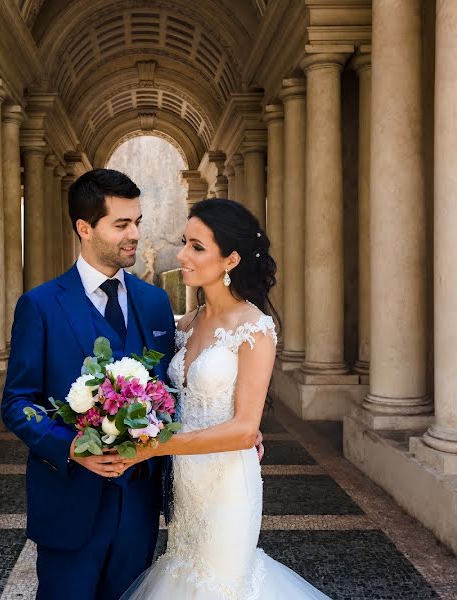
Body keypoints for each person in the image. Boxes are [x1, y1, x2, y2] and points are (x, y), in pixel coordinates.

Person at [118, 198, 331, 600]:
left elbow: (245, 429)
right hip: (185, 484)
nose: (182, 255)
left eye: (197, 247)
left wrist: (155, 446)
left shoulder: (254, 329)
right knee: (183, 574)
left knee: (220, 584)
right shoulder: (188, 322)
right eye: (185, 242)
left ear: (231, 259)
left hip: (228, 484)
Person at [1, 169, 175, 600]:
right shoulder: (39, 306)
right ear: (84, 228)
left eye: (136, 221)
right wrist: (73, 448)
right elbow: (18, 402)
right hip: (68, 505)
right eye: (121, 224)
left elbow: (174, 392)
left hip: (138, 507)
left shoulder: (155, 304)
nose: (134, 234)